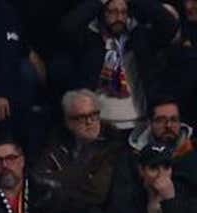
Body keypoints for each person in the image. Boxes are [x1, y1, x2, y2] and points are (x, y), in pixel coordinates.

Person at [61, 0, 176, 131]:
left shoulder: (140, 39)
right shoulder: (89, 40)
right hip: (100, 124)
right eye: (113, 12)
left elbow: (168, 23)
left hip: (139, 123)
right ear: (102, 13)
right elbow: (68, 27)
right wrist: (100, 1)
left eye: (123, 12)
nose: (119, 18)